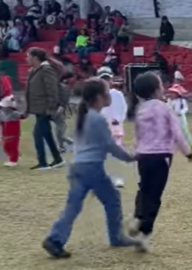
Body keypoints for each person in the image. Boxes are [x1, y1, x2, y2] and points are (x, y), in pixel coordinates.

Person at [42, 79, 138, 258]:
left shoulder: (85, 117)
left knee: (73, 207)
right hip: (92, 168)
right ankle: (116, 237)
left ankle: (55, 239)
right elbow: (109, 145)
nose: (110, 96)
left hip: (78, 167)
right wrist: (130, 157)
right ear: (99, 97)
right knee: (112, 199)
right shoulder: (97, 119)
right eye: (107, 93)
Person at [128, 72, 192, 252]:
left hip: (143, 156)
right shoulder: (165, 108)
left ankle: (137, 216)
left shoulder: (140, 109)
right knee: (155, 196)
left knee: (144, 188)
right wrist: (188, 152)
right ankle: (144, 233)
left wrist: (135, 153)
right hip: (161, 157)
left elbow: (138, 135)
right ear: (157, 89)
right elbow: (177, 132)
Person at [25, 47, 65, 170]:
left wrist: (52, 107)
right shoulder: (35, 70)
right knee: (47, 134)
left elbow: (52, 90)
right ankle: (57, 159)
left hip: (45, 109)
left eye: (28, 56)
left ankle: (43, 162)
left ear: (35, 58)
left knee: (37, 134)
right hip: (38, 108)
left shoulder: (46, 70)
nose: (26, 59)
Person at [97, 67, 130, 188]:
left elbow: (123, 108)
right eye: (103, 79)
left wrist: (118, 119)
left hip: (115, 127)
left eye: (107, 79)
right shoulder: (95, 95)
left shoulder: (117, 94)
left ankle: (117, 177)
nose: (105, 82)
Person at [167, 84, 192, 150]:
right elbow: (168, 108)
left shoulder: (182, 101)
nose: (172, 94)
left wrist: (181, 112)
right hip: (173, 118)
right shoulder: (169, 101)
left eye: (174, 93)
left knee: (185, 131)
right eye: (171, 93)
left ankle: (191, 144)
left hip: (181, 118)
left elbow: (185, 108)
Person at [0, 94, 23, 167]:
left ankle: (13, 160)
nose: (3, 108)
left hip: (14, 134)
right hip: (6, 134)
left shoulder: (15, 114)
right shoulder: (2, 114)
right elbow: (2, 123)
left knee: (13, 147)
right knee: (6, 147)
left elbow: (22, 116)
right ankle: (14, 156)